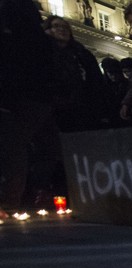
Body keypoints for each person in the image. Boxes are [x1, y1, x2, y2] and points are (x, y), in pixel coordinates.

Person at [0, 0, 59, 218]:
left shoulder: (10, 35)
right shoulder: (41, 39)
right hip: (39, 99)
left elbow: (9, 68)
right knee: (27, 149)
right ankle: (20, 198)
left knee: (12, 150)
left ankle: (9, 202)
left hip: (17, 100)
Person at [43, 15, 106, 132]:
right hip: (52, 109)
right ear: (47, 30)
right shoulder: (43, 52)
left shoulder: (82, 54)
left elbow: (95, 81)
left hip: (81, 108)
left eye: (65, 27)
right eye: (56, 26)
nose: (62, 29)